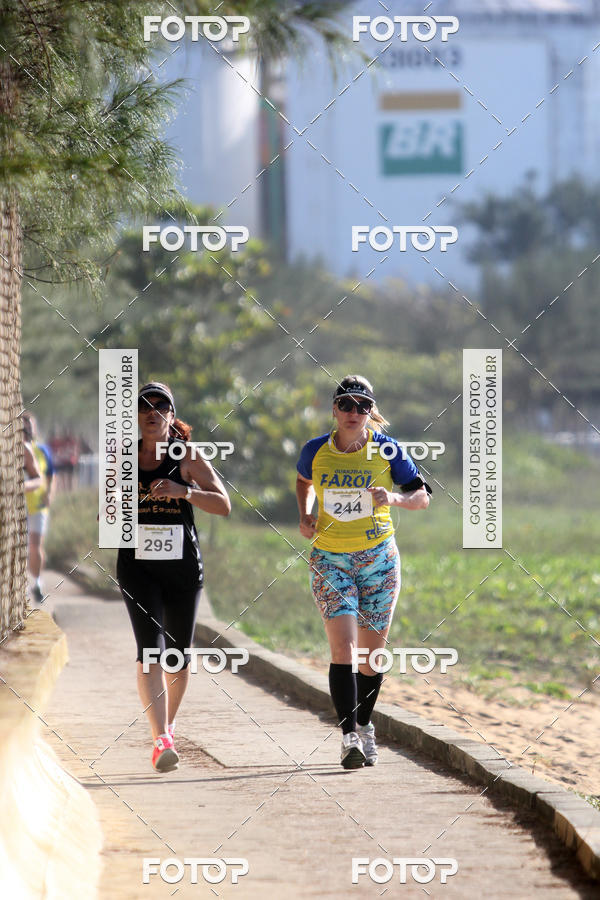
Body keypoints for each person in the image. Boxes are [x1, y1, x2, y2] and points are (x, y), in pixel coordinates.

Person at [296, 375, 431, 769]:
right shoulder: (315, 450)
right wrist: (305, 513)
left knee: (371, 658)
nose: (354, 413)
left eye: (363, 406)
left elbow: (422, 497)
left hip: (379, 562)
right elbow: (304, 481)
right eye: (346, 405)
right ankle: (349, 737)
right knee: (343, 649)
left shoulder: (387, 448)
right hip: (330, 560)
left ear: (371, 412)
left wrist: (393, 498)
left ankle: (365, 725)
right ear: (334, 409)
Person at [116, 382, 231, 772]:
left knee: (178, 658)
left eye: (160, 406)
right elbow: (110, 507)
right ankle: (161, 739)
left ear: (171, 415)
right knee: (150, 651)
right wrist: (110, 513)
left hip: (182, 568)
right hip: (138, 568)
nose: (152, 413)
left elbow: (223, 504)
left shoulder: (187, 456)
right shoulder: (124, 457)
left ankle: (168, 724)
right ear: (136, 416)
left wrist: (184, 492)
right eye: (145, 407)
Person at [22, 412, 55, 604]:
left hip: (37, 505)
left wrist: (49, 494)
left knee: (35, 546)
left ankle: (37, 582)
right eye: (24, 426)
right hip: (19, 507)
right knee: (23, 546)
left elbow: (49, 475)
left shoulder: (41, 450)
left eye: (30, 426)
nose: (27, 429)